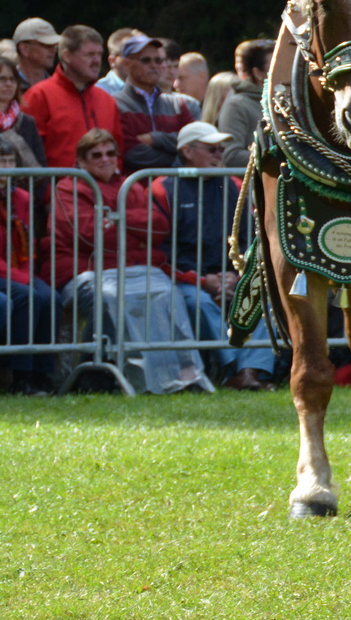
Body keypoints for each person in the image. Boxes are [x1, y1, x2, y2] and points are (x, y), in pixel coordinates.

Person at [48, 128, 210, 394]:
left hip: (133, 268)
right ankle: (123, 377)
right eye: (96, 155)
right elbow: (89, 236)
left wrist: (116, 217)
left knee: (167, 292)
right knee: (112, 296)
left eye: (110, 153)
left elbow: (158, 228)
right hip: (85, 271)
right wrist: (134, 229)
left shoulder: (131, 185)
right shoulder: (69, 187)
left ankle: (185, 373)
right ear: (81, 161)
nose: (105, 159)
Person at [152, 123, 277, 391]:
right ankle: (231, 369)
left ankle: (249, 371)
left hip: (230, 275)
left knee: (264, 299)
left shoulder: (234, 184)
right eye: (211, 149)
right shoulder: (162, 188)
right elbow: (159, 254)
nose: (219, 155)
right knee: (199, 302)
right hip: (184, 279)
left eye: (221, 149)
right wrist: (200, 281)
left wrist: (237, 276)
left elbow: (250, 240)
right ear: (186, 151)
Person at [20, 24, 122, 168]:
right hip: (57, 188)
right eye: (89, 55)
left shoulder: (107, 100)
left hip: (103, 189)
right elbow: (28, 154)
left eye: (99, 54)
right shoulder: (38, 96)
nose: (96, 61)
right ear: (67, 56)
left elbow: (119, 153)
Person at [0, 139, 55, 394]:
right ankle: (21, 376)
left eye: (11, 161)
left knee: (50, 297)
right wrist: (19, 278)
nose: (7, 167)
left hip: (18, 269)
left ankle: (43, 373)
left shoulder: (21, 197)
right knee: (26, 297)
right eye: (2, 161)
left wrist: (23, 274)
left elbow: (28, 241)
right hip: (5, 271)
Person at [112, 35, 200, 173]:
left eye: (158, 60)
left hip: (174, 190)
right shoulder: (116, 104)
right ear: (126, 64)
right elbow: (132, 154)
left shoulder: (177, 104)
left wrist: (156, 138)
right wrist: (180, 158)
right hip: (137, 191)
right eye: (146, 60)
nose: (154, 65)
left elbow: (196, 143)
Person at [217, 39, 273, 168]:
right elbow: (231, 156)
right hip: (251, 186)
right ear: (258, 73)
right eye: (276, 66)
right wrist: (277, 156)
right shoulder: (236, 105)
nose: (283, 71)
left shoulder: (284, 103)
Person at [0, 59, 47, 167]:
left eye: (12, 79)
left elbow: (41, 167)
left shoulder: (27, 122)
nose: (9, 84)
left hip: (23, 184)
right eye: (2, 79)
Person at [12, 18, 59, 90]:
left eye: (54, 45)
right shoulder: (8, 88)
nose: (53, 50)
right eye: (46, 45)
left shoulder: (57, 88)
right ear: (24, 49)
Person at [95, 27, 141, 97]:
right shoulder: (98, 92)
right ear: (112, 61)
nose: (138, 62)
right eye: (131, 56)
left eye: (142, 57)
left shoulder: (152, 90)